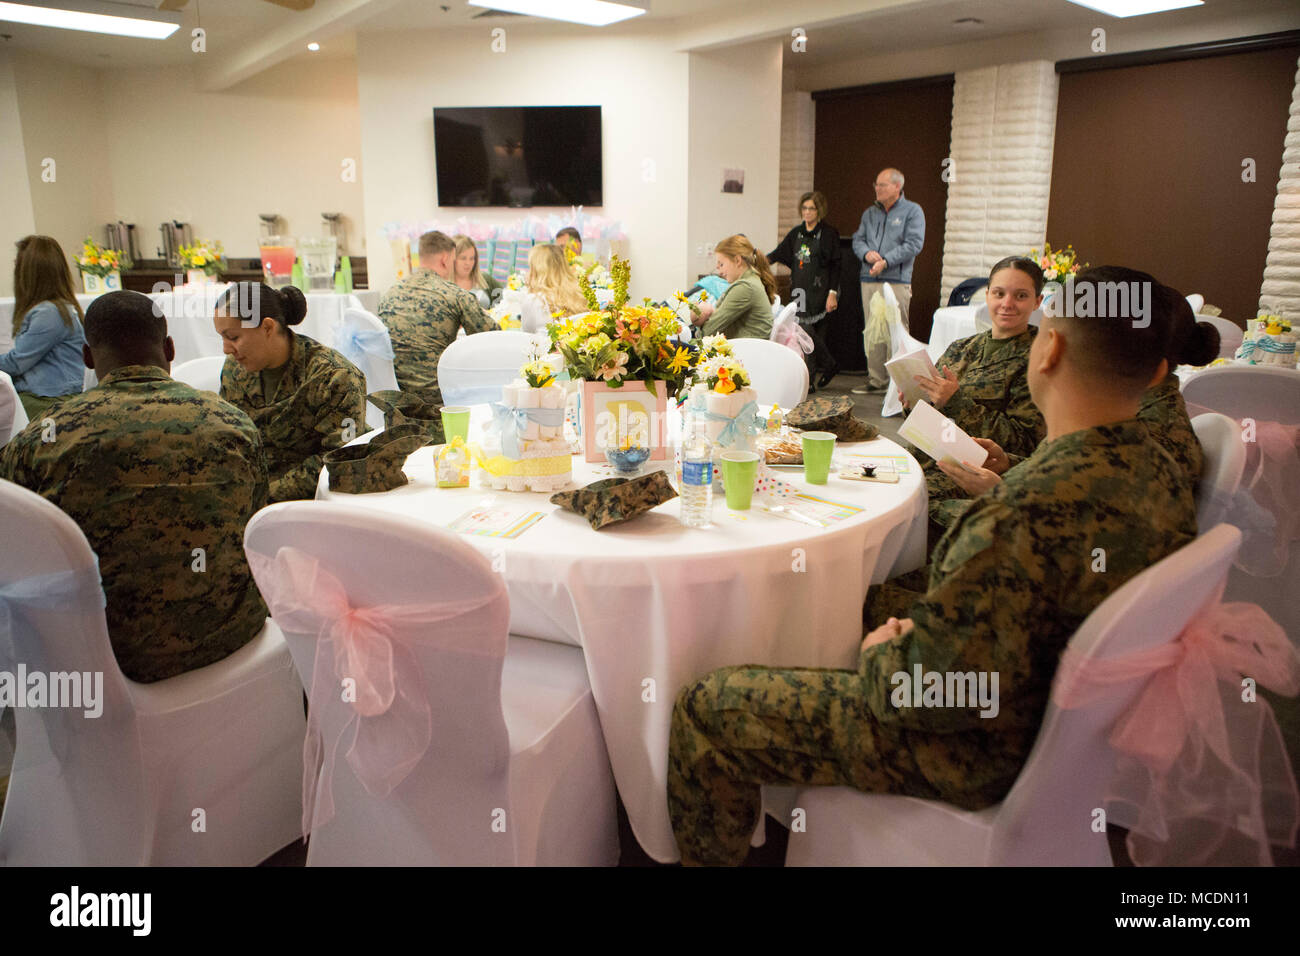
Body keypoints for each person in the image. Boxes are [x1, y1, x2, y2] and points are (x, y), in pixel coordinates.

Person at [666, 265, 1197, 866]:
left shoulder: (1016, 517)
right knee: (852, 598)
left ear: (1048, 349)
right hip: (1047, 716)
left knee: (706, 708)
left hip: (970, 746)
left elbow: (927, 695)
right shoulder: (1159, 464)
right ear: (1157, 372)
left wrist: (886, 651)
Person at [0, 290, 268, 683]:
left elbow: (19, 548)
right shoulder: (235, 425)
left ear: (88, 357)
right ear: (170, 348)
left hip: (96, 658)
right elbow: (253, 529)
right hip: (229, 635)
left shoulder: (40, 440)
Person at [927, 280, 1221, 528]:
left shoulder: (1143, 437)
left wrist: (1001, 493)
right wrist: (1008, 463)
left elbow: (1091, 531)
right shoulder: (1125, 411)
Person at [905, 256, 1046, 542]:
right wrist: (915, 400)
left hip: (975, 473)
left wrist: (955, 402)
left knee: (905, 504)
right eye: (999, 293)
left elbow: (1023, 441)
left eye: (1021, 296)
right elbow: (932, 414)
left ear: (1037, 301)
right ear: (987, 295)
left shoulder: (1040, 358)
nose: (1007, 303)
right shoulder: (962, 348)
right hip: (927, 457)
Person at [216, 282, 366, 503]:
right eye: (223, 337)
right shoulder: (235, 370)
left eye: (233, 337)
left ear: (267, 327)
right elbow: (227, 438)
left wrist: (261, 498)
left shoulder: (334, 376)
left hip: (308, 505)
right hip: (246, 495)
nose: (226, 349)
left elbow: (338, 461)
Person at [378, 231, 495, 404]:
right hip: (438, 399)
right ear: (445, 259)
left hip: (394, 398)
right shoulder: (455, 295)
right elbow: (492, 338)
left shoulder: (390, 293)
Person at [851, 168, 925, 392]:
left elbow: (914, 244)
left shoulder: (912, 211)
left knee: (896, 330)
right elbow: (858, 239)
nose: (877, 188)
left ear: (897, 187)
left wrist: (886, 260)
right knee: (873, 331)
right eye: (876, 184)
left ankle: (899, 385)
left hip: (896, 280)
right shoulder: (869, 213)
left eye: (882, 185)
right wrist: (867, 254)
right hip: (869, 278)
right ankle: (877, 381)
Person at [1, 236, 87, 420]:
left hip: (50, 399)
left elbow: (17, 363)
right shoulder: (57, 308)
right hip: (52, 395)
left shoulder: (49, 313)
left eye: (18, 265)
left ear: (29, 274)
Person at [768, 191, 842, 392]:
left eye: (812, 208)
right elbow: (777, 254)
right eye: (804, 208)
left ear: (819, 211)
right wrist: (758, 262)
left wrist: (832, 293)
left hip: (821, 291)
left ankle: (815, 373)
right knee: (804, 332)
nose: (807, 212)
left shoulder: (828, 234)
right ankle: (821, 370)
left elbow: (836, 266)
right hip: (800, 291)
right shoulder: (796, 233)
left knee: (812, 334)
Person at [694, 235, 776, 340]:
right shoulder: (752, 280)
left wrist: (697, 319)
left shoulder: (745, 288)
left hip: (744, 351)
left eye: (721, 264)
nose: (719, 271)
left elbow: (707, 332)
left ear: (737, 260)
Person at [517, 243, 589, 333]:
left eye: (531, 267)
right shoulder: (580, 294)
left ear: (537, 270)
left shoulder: (533, 300)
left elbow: (527, 337)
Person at [451, 234, 502, 311]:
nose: (468, 263)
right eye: (463, 258)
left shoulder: (485, 279)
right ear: (452, 259)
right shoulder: (442, 285)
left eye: (472, 258)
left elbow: (507, 301)